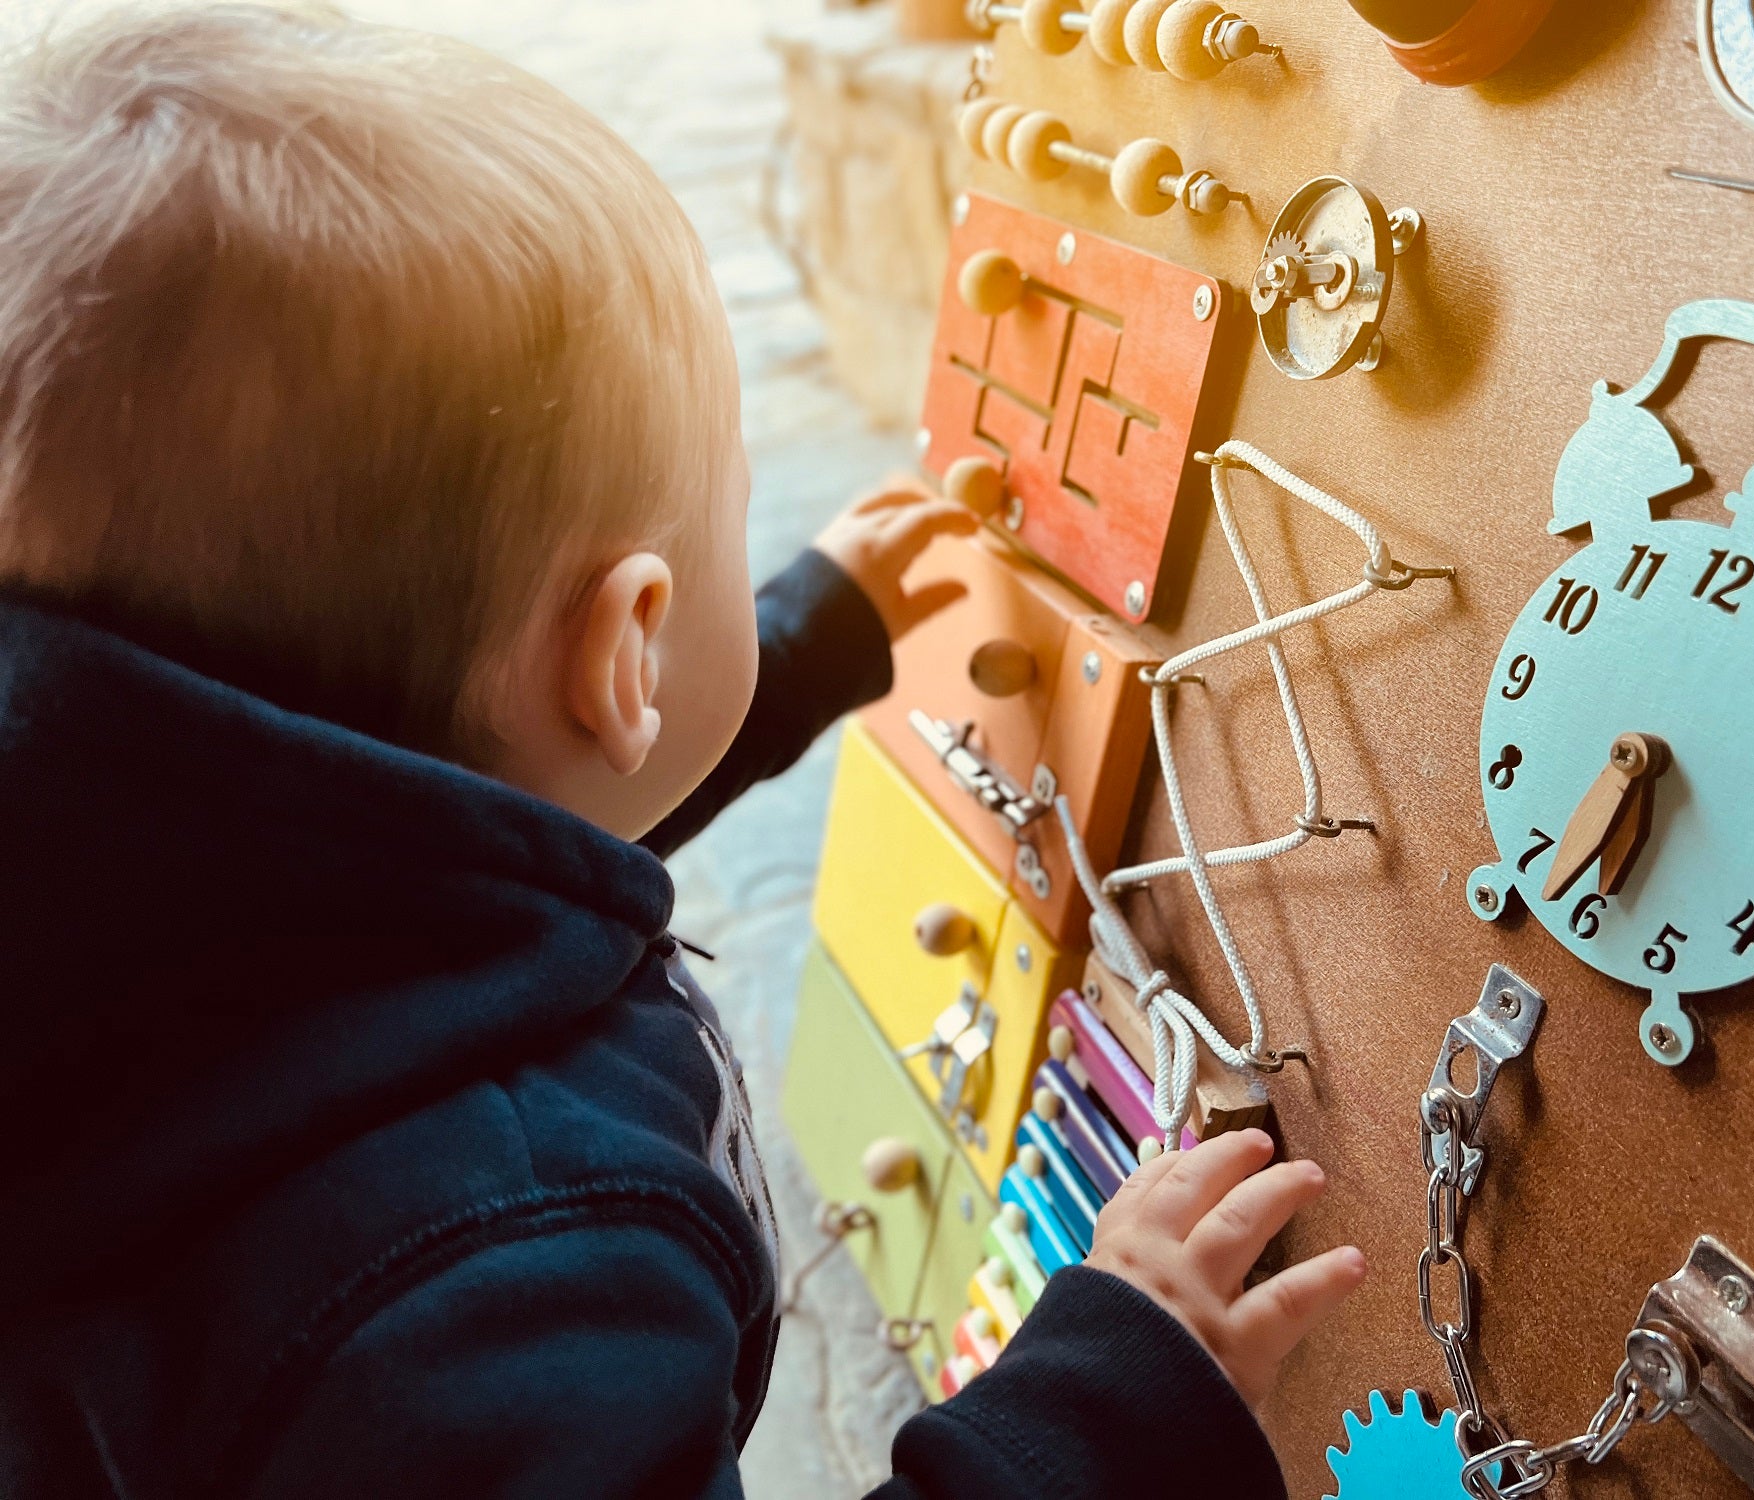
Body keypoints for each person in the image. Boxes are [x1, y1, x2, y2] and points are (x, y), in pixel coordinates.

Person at [0, 6, 1368, 1496]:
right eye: (726, 516)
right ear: (624, 652)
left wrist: (794, 644)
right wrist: (1102, 1409)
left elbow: (500, 824)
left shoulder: (158, 850)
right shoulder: (513, 1289)